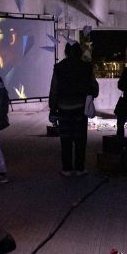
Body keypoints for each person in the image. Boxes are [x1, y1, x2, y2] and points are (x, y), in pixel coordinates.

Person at [49, 42, 99, 176]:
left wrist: (53, 110)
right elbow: (94, 88)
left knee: (65, 140)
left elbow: (54, 90)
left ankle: (66, 169)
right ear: (79, 52)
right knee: (80, 140)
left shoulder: (59, 67)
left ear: (66, 51)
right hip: (80, 108)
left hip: (63, 108)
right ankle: (80, 168)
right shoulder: (86, 67)